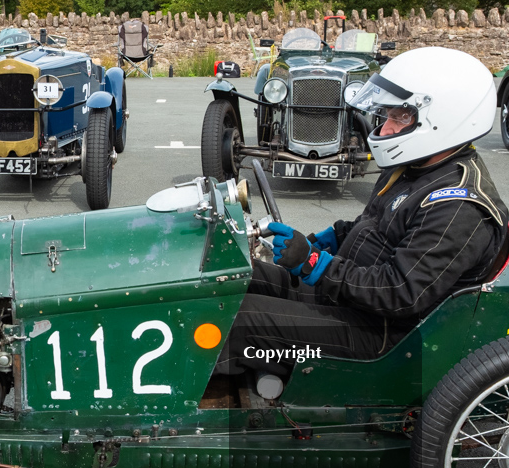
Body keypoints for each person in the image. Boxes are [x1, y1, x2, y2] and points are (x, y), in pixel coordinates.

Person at [218, 46, 508, 377]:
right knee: (236, 277)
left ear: (444, 120)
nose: (383, 128)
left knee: (241, 322)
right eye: (386, 114)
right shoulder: (414, 168)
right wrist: (330, 239)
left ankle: (180, 420)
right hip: (354, 299)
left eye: (399, 116)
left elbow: (401, 292)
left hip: (385, 337)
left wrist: (313, 263)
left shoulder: (457, 205)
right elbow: (375, 226)